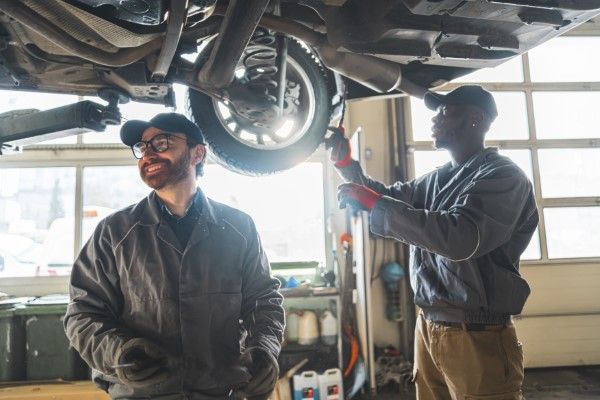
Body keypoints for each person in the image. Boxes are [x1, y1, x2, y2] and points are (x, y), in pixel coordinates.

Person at [326, 85, 538, 399]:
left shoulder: (503, 177)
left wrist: (374, 203)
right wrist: (347, 166)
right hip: (427, 327)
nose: (434, 118)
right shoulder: (437, 179)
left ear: (475, 119)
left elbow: (459, 238)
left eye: (445, 110)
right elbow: (386, 198)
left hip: (477, 335)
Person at [64, 113, 284, 400]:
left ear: (198, 153)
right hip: (144, 394)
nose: (148, 154)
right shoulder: (114, 233)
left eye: (161, 142)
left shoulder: (239, 228)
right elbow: (82, 314)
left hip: (222, 391)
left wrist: (265, 348)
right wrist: (120, 352)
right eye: (143, 148)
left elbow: (263, 301)